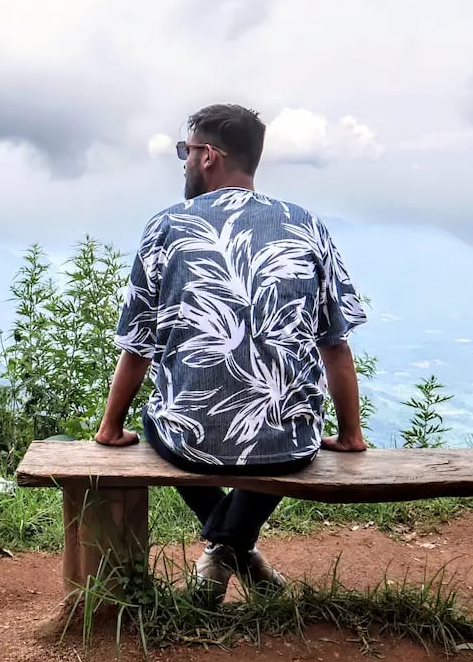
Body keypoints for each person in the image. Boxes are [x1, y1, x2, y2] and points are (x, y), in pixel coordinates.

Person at [93, 103, 368, 605]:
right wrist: (350, 435)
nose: (183, 161)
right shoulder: (307, 223)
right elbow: (336, 341)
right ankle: (236, 548)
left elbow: (138, 344)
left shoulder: (167, 225)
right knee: (281, 427)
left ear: (209, 157)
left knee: (158, 418)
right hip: (290, 445)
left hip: (189, 440)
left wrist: (110, 428)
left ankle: (223, 547)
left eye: (186, 150)